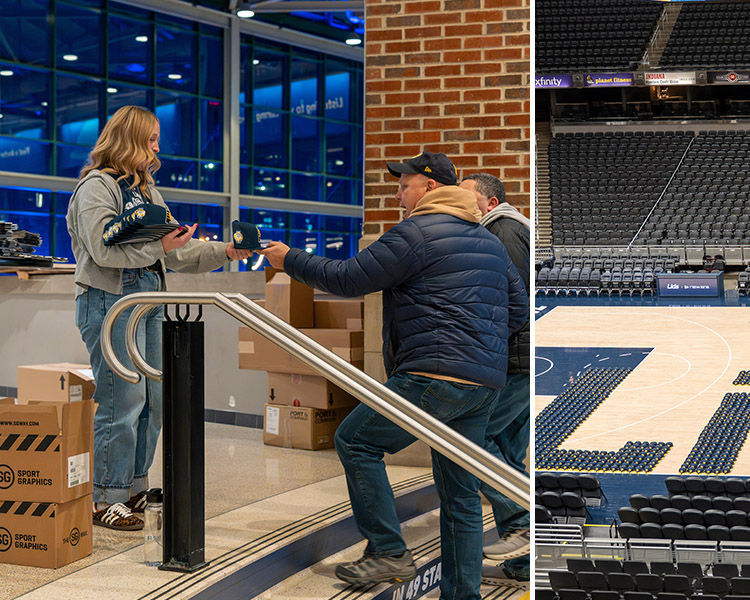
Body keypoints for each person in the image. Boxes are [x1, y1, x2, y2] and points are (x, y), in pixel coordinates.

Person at [259, 151, 527, 600]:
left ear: (429, 188)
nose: (397, 194)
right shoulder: (489, 242)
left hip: (431, 374)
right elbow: (517, 312)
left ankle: (388, 550)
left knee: (356, 440)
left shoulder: (416, 232)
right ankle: (462, 595)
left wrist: (289, 259)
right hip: (483, 383)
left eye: (404, 186)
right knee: (460, 493)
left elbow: (347, 278)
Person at [67, 105, 253, 530]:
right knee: (122, 399)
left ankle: (133, 488)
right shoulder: (97, 187)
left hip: (149, 300)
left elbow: (178, 250)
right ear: (130, 138)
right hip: (109, 300)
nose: (157, 146)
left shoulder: (147, 191)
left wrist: (224, 251)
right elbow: (102, 251)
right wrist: (160, 249)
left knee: (154, 399)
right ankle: (105, 498)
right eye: (151, 138)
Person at [458, 173, 531, 585]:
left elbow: (507, 299)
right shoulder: (508, 228)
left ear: (490, 202)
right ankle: (523, 566)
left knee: (474, 435)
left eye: (468, 198)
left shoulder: (501, 232)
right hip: (521, 360)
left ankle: (521, 520)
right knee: (506, 450)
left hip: (512, 362)